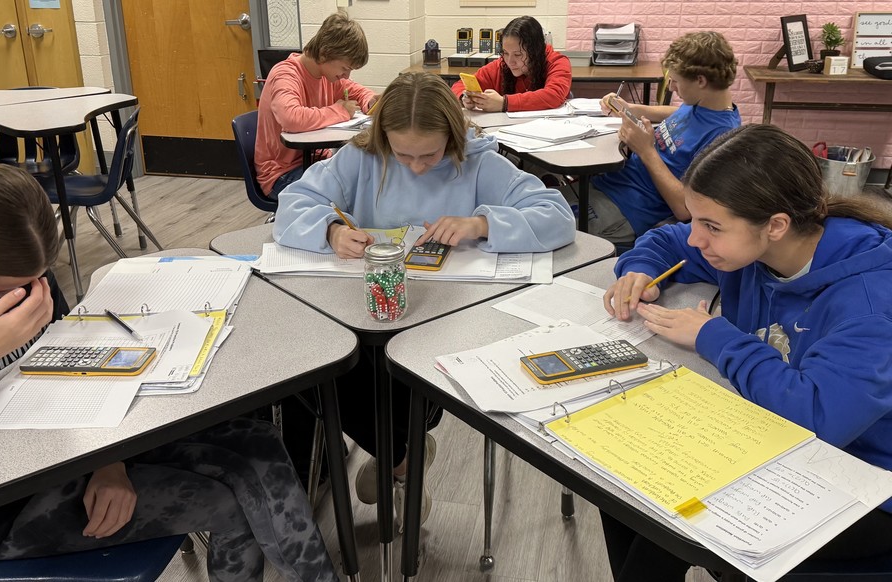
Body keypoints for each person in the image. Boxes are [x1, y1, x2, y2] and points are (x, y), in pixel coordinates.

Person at [0, 165, 338, 582]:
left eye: (36, 279)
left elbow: (76, 363)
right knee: (227, 504)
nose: (22, 295)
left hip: (72, 444)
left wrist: (107, 461)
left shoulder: (15, 262)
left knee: (259, 442)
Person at [274, 72, 576, 526]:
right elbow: (293, 201)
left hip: (444, 321)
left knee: (380, 373)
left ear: (453, 139)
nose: (415, 166)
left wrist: (482, 224)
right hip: (362, 310)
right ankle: (402, 461)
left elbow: (557, 216)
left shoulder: (478, 163)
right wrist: (331, 229)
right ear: (382, 139)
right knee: (323, 364)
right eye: (403, 154)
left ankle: (396, 452)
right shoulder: (360, 158)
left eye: (430, 155)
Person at [600, 123, 892, 581]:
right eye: (696, 220)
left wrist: (714, 336)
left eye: (711, 226)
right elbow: (671, 241)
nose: (696, 239)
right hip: (775, 439)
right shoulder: (749, 247)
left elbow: (817, 417)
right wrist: (639, 269)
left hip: (868, 479)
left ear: (776, 225)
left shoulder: (870, 302)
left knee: (673, 524)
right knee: (620, 488)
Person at [581, 30, 741, 248]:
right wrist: (631, 109)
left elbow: (685, 209)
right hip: (611, 185)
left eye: (675, 82)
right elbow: (677, 113)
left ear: (700, 81)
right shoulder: (701, 105)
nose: (673, 88)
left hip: (627, 209)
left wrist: (646, 151)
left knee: (543, 231)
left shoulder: (722, 137)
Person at [255, 11, 377, 199]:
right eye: (345, 68)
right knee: (353, 193)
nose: (346, 75)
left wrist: (370, 100)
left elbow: (355, 90)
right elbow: (291, 118)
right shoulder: (286, 75)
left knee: (368, 177)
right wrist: (340, 111)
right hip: (282, 174)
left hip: (314, 162)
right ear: (324, 53)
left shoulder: (327, 75)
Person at [451, 16, 572, 113]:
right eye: (505, 53)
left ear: (535, 51)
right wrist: (464, 97)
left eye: (518, 55)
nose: (510, 61)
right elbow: (460, 85)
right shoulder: (501, 65)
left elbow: (553, 95)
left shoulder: (557, 62)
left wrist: (505, 103)